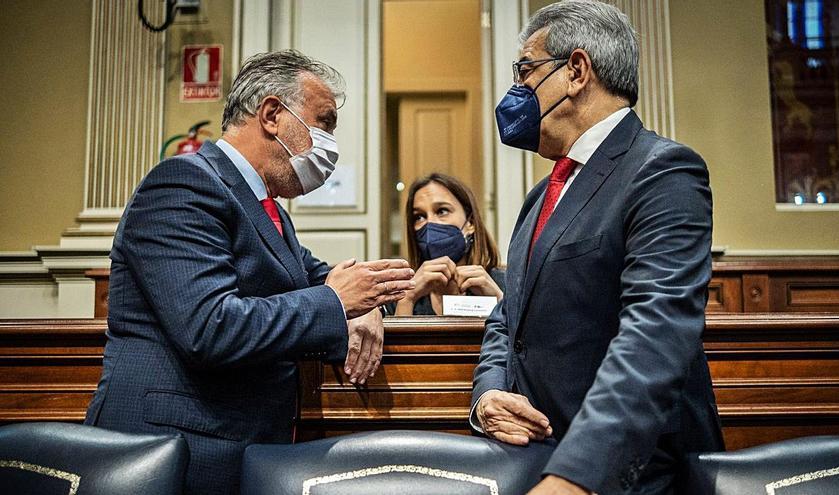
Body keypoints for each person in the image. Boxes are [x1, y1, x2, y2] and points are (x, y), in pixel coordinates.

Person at [84, 49, 414, 494]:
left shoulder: (265, 206)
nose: (330, 143)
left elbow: (323, 278)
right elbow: (210, 327)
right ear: (273, 115)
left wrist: (368, 305)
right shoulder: (184, 183)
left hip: (234, 442)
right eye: (324, 122)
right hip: (172, 450)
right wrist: (341, 302)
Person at [471, 2, 724, 494]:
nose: (516, 90)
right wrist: (489, 395)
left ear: (576, 71)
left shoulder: (663, 170)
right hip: (536, 461)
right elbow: (508, 319)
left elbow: (655, 335)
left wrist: (576, 476)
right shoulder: (540, 196)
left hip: (629, 476)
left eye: (525, 71)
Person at [392, 173, 504, 315]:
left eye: (442, 211)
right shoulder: (399, 292)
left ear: (470, 223)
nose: (430, 223)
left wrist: (500, 302)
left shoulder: (505, 284)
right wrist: (408, 299)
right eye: (419, 217)